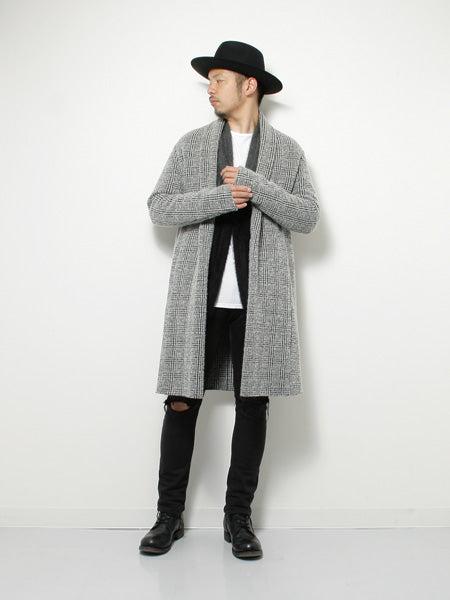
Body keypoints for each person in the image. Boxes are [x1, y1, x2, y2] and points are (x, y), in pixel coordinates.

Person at [140, 41, 319, 560]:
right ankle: (168, 517)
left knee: (253, 401)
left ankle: (238, 519)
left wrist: (256, 186)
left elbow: (307, 217)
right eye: (209, 81)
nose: (210, 89)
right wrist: (221, 197)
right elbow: (159, 207)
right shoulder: (193, 145)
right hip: (199, 296)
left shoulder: (286, 152)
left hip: (260, 301)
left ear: (249, 85)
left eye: (219, 79)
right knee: (181, 399)